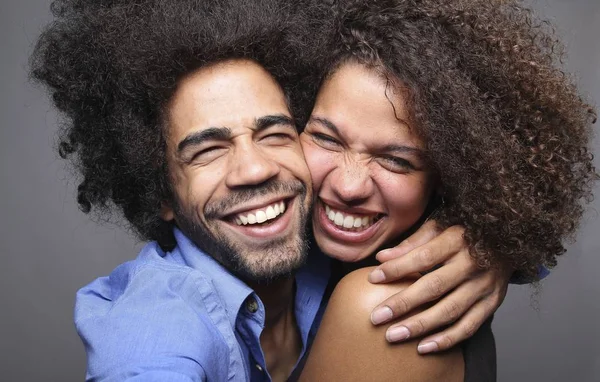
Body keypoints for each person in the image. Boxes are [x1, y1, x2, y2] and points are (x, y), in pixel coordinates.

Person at [29, 0, 553, 380]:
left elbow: (524, 221)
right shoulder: (158, 334)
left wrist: (493, 247)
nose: (255, 170)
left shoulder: (333, 244)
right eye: (207, 150)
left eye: (275, 133)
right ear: (159, 189)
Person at [297, 0, 597, 381]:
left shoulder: (378, 307)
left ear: (450, 174)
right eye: (326, 138)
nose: (347, 186)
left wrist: (493, 248)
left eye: (397, 161)